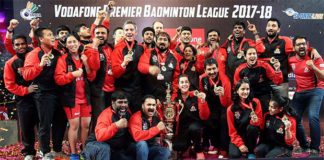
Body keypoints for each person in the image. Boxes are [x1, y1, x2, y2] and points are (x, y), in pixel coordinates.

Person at [23, 27, 67, 159]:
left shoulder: (58, 53)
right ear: (41, 39)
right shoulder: (34, 54)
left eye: (52, 34)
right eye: (49, 35)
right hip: (43, 94)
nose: (53, 37)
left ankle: (57, 149)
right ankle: (44, 151)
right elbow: (26, 75)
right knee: (45, 124)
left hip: (59, 93)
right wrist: (40, 65)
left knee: (61, 122)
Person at [247, 18, 320, 97]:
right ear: (266, 28)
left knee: (282, 107)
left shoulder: (285, 41)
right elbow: (251, 54)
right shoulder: (260, 41)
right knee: (265, 108)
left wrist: (312, 49)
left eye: (273, 26)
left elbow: (299, 48)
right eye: (268, 26)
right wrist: (254, 32)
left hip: (281, 83)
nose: (271, 28)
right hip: (263, 83)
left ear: (278, 29)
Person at [54, 34, 95, 160]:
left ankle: (84, 151)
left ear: (79, 43)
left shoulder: (85, 57)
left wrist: (86, 63)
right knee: (74, 126)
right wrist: (72, 74)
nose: (72, 44)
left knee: (86, 126)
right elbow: (58, 79)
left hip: (86, 98)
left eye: (74, 41)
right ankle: (73, 153)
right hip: (71, 99)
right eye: (69, 42)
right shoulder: (63, 59)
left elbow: (92, 77)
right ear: (66, 45)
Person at [4, 33, 38, 160]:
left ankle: (44, 150)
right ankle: (29, 152)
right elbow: (9, 85)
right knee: (26, 126)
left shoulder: (35, 56)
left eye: (23, 44)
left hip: (40, 97)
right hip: (24, 99)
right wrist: (26, 90)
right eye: (17, 45)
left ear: (27, 44)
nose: (21, 47)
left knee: (43, 125)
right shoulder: (10, 63)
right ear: (13, 46)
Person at [289, 36, 324, 157]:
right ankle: (304, 146)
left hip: (315, 90)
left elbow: (323, 77)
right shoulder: (291, 59)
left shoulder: (315, 57)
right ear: (294, 48)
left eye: (304, 44)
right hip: (299, 92)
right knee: (294, 118)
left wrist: (313, 67)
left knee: (312, 116)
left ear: (307, 45)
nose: (301, 46)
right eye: (298, 44)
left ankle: (315, 148)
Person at [84, 91, 135, 160]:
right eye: (120, 102)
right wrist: (116, 125)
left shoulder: (128, 113)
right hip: (94, 145)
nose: (123, 105)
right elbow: (100, 136)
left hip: (113, 148)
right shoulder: (106, 115)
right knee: (104, 148)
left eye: (125, 102)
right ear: (112, 102)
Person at [199, 58, 232, 158]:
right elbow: (202, 91)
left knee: (223, 120)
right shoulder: (202, 78)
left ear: (218, 68)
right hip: (210, 102)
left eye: (214, 69)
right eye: (209, 69)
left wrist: (222, 95)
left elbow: (228, 102)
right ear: (205, 70)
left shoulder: (225, 80)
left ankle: (223, 149)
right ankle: (215, 145)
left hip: (223, 104)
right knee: (209, 120)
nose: (212, 72)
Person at [172, 74, 210, 159]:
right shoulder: (175, 99)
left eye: (186, 82)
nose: (184, 84)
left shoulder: (197, 96)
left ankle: (198, 150)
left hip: (195, 126)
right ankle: (189, 146)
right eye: (182, 82)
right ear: (178, 85)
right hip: (182, 129)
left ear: (189, 84)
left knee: (194, 128)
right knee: (178, 147)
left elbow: (205, 116)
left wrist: (203, 101)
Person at [234, 47, 283, 113]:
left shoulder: (265, 66)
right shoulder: (240, 69)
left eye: (254, 53)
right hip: (248, 97)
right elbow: (236, 87)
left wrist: (277, 70)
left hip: (264, 95)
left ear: (257, 56)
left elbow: (278, 82)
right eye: (250, 54)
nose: (252, 56)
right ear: (245, 57)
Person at [111, 20, 146, 113]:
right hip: (122, 90)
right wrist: (123, 64)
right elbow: (115, 73)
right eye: (126, 30)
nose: (129, 32)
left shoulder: (141, 47)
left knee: (136, 117)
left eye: (131, 30)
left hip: (137, 91)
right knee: (122, 119)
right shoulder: (118, 49)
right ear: (124, 33)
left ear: (136, 32)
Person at [227, 79, 263, 159]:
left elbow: (260, 122)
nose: (246, 92)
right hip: (238, 137)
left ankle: (251, 151)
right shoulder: (231, 108)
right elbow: (232, 131)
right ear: (237, 90)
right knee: (234, 155)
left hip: (250, 136)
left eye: (247, 89)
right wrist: (240, 145)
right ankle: (243, 148)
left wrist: (255, 121)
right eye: (242, 89)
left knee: (252, 128)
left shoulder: (256, 102)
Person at [138, 32, 178, 101]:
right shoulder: (148, 53)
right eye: (160, 39)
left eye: (165, 40)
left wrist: (173, 96)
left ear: (169, 43)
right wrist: (149, 68)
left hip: (167, 96)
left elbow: (176, 79)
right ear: (155, 41)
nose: (162, 41)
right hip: (150, 96)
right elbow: (141, 65)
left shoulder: (174, 58)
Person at [128, 95, 171, 160]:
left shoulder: (156, 118)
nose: (151, 107)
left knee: (165, 152)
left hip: (150, 148)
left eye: (153, 105)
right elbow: (137, 137)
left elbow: (161, 135)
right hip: (135, 148)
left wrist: (165, 131)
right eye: (149, 105)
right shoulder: (136, 117)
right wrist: (157, 129)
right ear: (142, 106)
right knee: (142, 144)